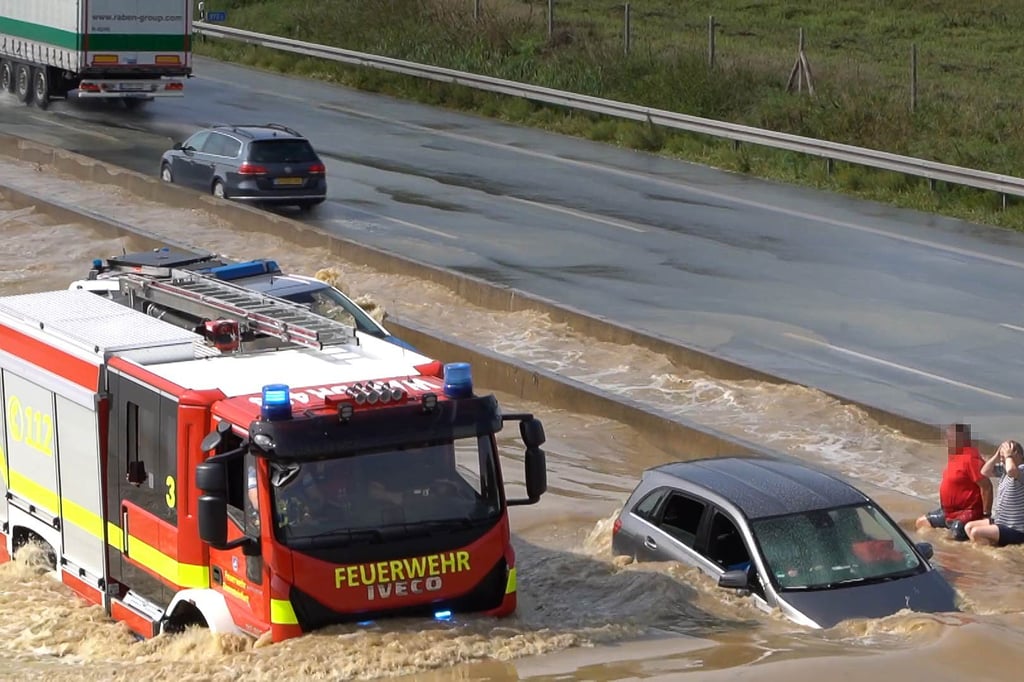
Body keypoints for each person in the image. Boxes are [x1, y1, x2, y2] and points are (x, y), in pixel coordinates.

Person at [915, 423, 992, 538]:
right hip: (948, 512)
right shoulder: (956, 455)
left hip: (967, 511)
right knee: (921, 523)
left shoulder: (971, 458)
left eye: (950, 438)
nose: (946, 441)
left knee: (952, 538)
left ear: (961, 439)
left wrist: (986, 515)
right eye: (947, 438)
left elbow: (987, 487)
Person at [963, 440, 1024, 547]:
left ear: (1018, 455)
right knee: (969, 527)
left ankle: (987, 553)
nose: (1004, 458)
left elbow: (1012, 471)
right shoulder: (1005, 469)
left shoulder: (1021, 470)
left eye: (1005, 454)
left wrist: (1009, 456)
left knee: (977, 532)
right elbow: (984, 472)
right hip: (1001, 521)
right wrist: (997, 456)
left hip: (1016, 528)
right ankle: (989, 551)